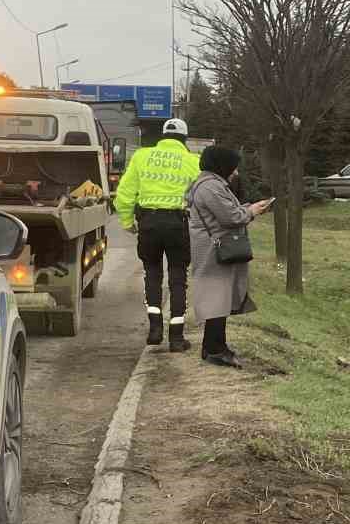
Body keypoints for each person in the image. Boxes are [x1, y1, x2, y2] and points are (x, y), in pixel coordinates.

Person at [115, 117, 202, 351]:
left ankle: (154, 329)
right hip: (178, 224)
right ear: (184, 139)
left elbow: (124, 193)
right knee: (177, 277)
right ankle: (176, 337)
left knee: (152, 273)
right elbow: (201, 197)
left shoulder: (142, 157)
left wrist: (126, 221)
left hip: (149, 223)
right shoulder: (194, 161)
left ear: (163, 135)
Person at [187, 146, 274, 367]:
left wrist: (248, 208)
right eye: (233, 167)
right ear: (221, 165)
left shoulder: (212, 185)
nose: (235, 172)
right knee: (217, 299)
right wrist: (252, 211)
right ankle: (215, 349)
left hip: (213, 248)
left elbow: (227, 212)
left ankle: (214, 346)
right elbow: (230, 217)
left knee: (219, 298)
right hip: (213, 251)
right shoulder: (211, 187)